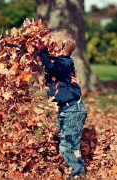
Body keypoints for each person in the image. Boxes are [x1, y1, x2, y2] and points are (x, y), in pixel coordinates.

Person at [36, 29, 87, 178]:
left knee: (69, 144)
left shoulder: (65, 63)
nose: (49, 49)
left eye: (52, 46)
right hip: (66, 110)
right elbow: (50, 66)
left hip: (73, 111)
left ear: (62, 46)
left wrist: (42, 52)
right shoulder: (59, 62)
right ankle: (65, 162)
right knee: (61, 137)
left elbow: (53, 67)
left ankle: (77, 172)